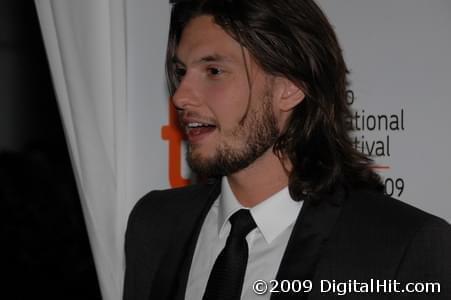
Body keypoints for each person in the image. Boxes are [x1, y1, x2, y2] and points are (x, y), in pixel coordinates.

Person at [123, 0, 451, 299]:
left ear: (290, 88)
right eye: (181, 73)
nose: (181, 96)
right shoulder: (154, 225)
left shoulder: (400, 247)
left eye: (214, 71)